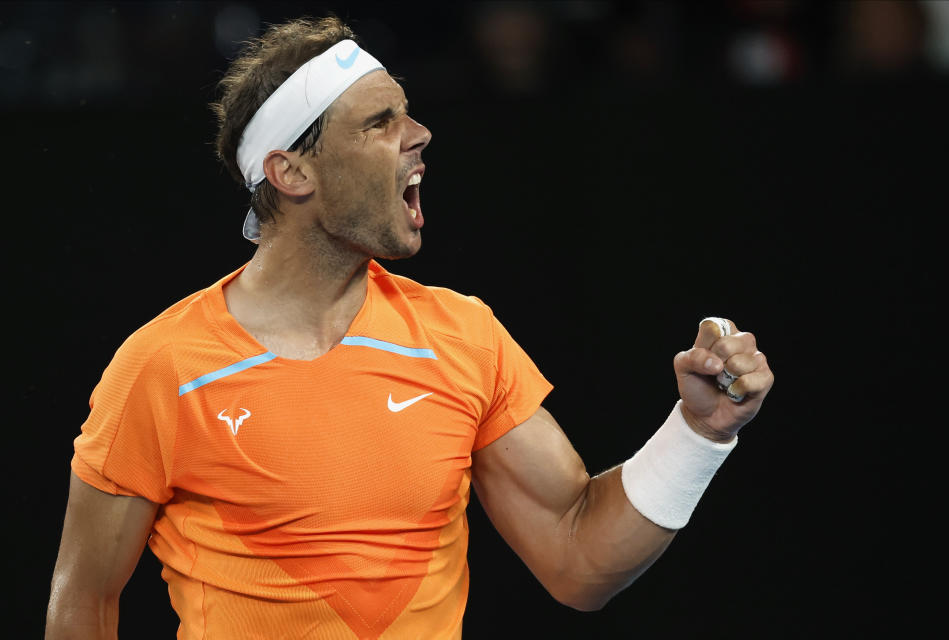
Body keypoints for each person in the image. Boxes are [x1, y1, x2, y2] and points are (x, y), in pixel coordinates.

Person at [45, 16, 774, 640]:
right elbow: (81, 605)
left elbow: (578, 560)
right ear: (293, 172)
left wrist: (699, 432)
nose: (420, 134)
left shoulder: (461, 336)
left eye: (407, 113)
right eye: (380, 121)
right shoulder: (162, 367)